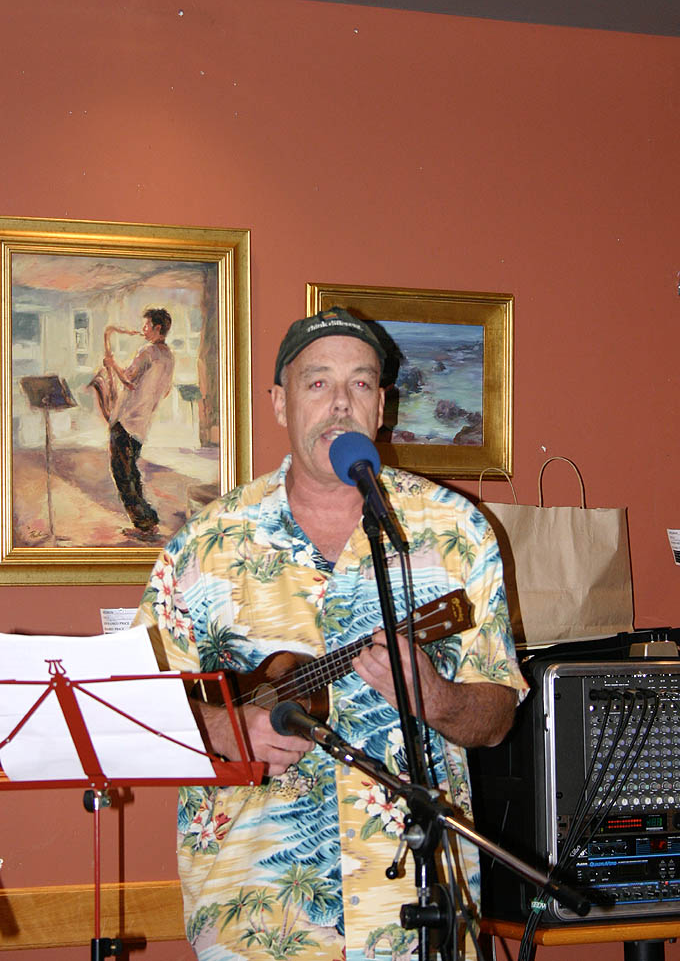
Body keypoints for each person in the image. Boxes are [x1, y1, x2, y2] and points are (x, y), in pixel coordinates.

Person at [133, 307, 527, 961]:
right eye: (318, 383)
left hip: (415, 919)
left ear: (383, 407)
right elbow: (132, 707)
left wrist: (440, 699)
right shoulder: (203, 546)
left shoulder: (457, 532)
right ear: (279, 403)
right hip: (254, 915)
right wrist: (224, 732)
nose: (340, 404)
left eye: (361, 384)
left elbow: (497, 715)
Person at [103, 307, 174, 538]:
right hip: (141, 423)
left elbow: (128, 379)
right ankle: (147, 519)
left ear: (157, 328)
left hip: (126, 420)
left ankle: (144, 523)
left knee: (122, 474)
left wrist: (111, 364)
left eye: (146, 326)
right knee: (131, 472)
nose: (142, 330)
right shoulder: (169, 356)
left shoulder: (147, 351)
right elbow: (163, 391)